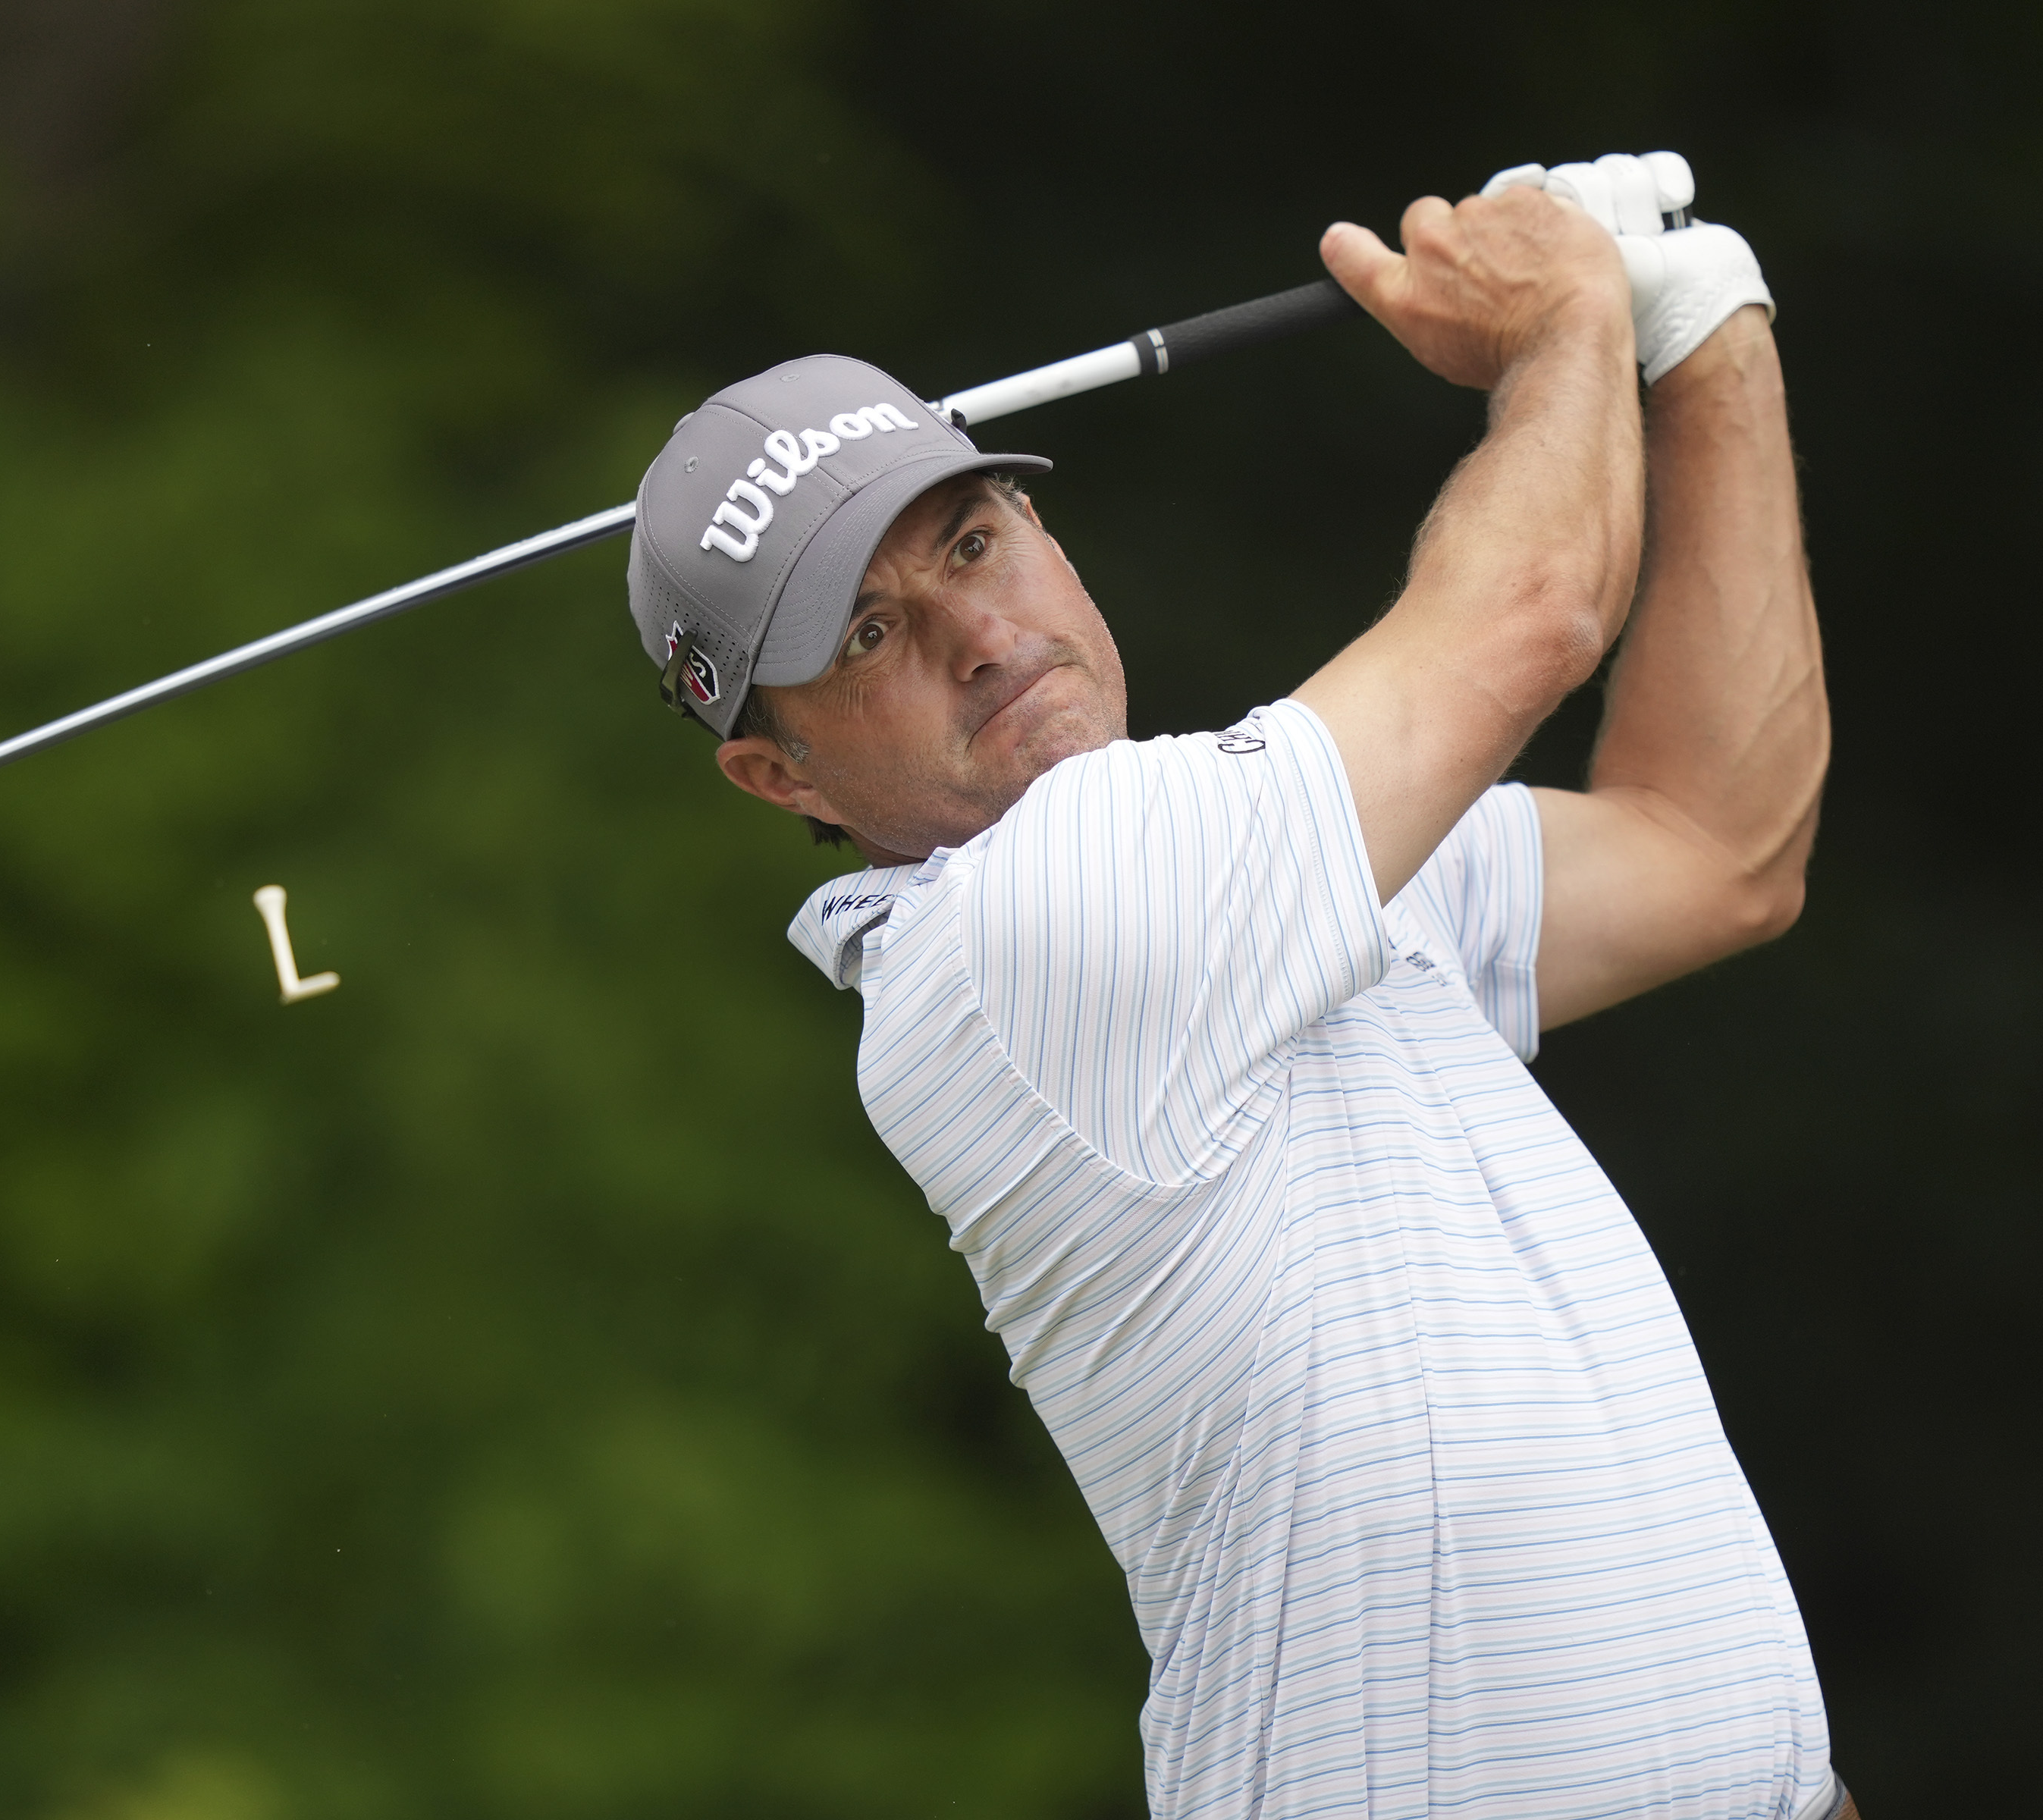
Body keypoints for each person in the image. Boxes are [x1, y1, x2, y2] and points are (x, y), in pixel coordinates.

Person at [626, 152, 1840, 1820]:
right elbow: (1531, 612)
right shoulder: (1020, 935)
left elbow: (1716, 844)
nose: (975, 634)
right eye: (864, 636)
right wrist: (1562, 317)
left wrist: (1705, 332)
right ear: (784, 782)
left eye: (976, 541)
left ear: (1043, 526)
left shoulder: (1255, 862)